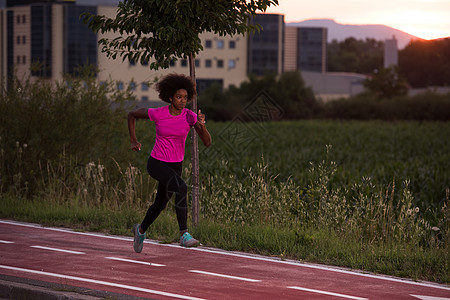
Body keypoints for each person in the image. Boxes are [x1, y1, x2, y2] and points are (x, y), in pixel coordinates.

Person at [127, 73, 212, 252]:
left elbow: (207, 142)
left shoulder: (190, 116)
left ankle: (140, 230)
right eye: (178, 97)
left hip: (176, 165)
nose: (182, 101)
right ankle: (184, 234)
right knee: (181, 187)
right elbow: (132, 114)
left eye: (185, 98)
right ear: (170, 97)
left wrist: (202, 125)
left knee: (160, 204)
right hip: (157, 163)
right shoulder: (158, 113)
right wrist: (134, 140)